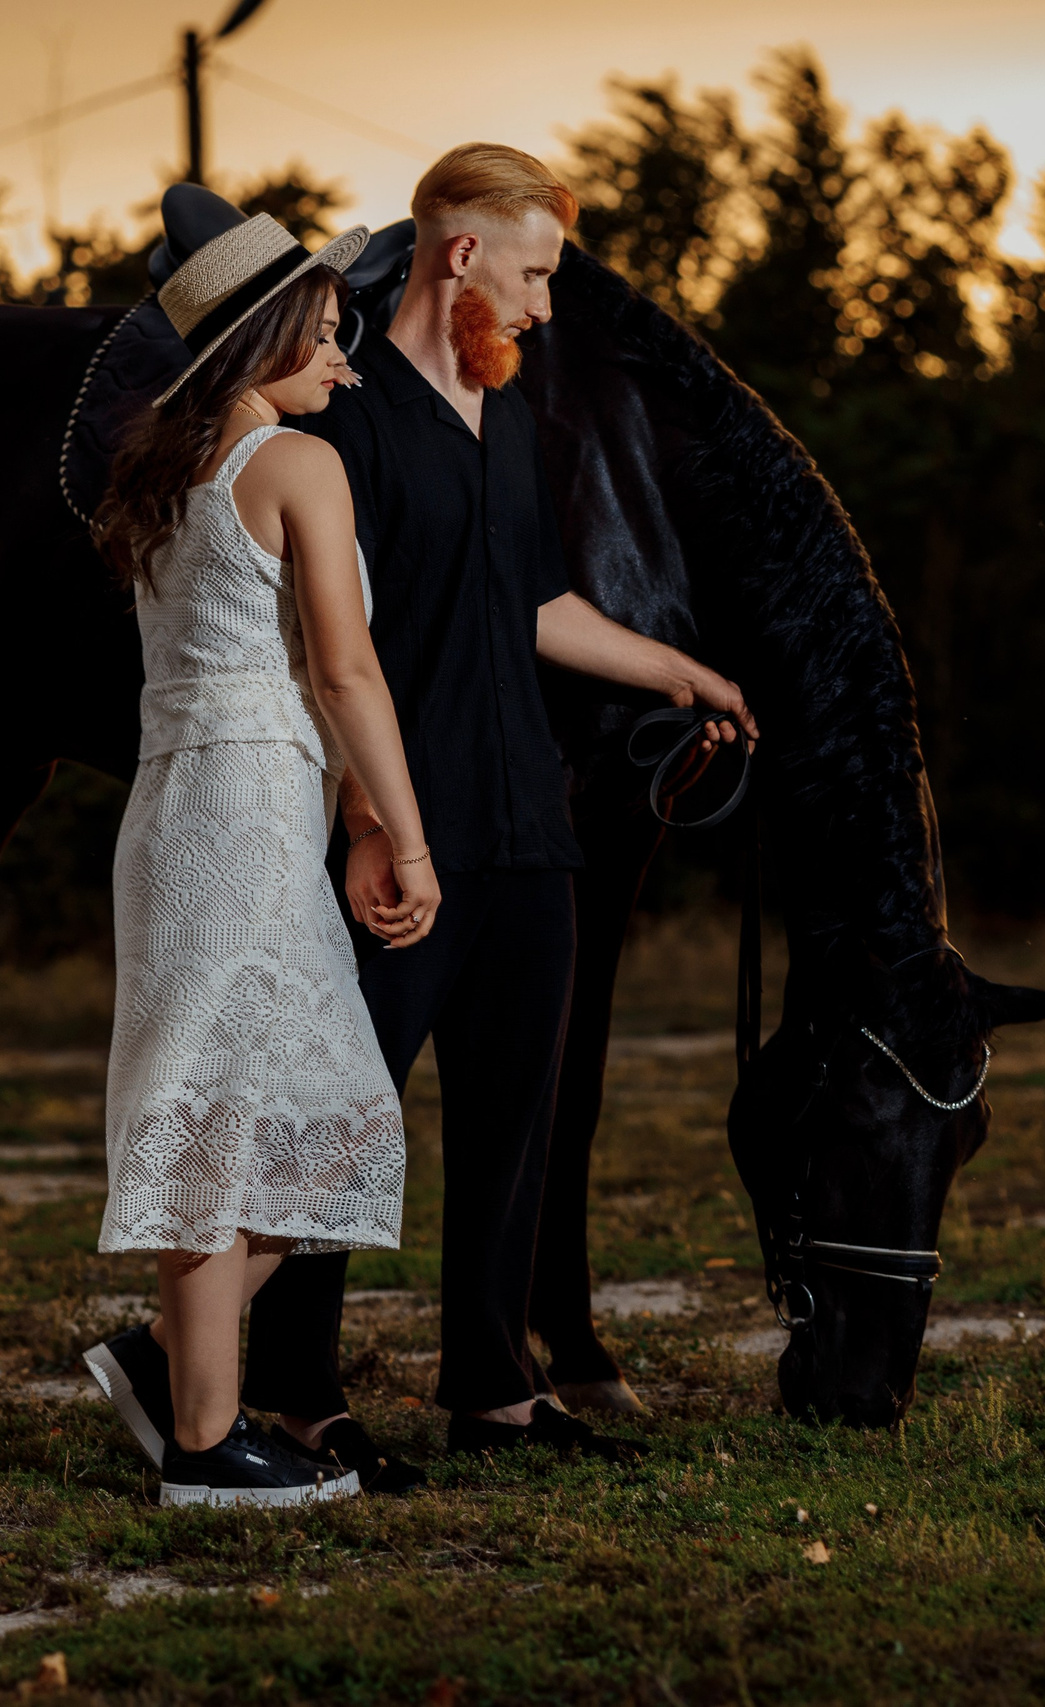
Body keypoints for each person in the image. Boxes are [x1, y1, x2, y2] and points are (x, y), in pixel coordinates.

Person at [242, 143, 757, 1483]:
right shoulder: (341, 419)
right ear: (460, 255)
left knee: (514, 1110)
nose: (542, 308)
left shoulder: (508, 410)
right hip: (402, 824)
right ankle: (297, 1397)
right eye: (533, 276)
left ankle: (495, 1391)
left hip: (532, 814)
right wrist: (364, 816)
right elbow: (314, 645)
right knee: (346, 1111)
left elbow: (538, 605)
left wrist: (679, 665)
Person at [81, 212, 439, 1508]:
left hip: (181, 808)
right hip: (240, 808)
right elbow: (343, 671)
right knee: (258, 1121)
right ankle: (204, 1444)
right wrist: (405, 833)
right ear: (269, 336)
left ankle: (174, 1366)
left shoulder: (166, 475)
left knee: (285, 1121)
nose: (346, 362)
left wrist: (344, 818)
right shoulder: (299, 466)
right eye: (332, 333)